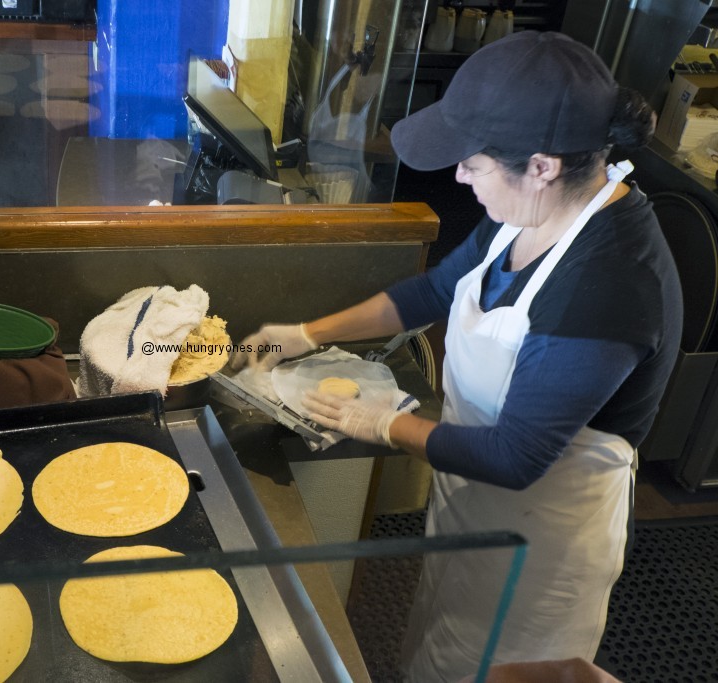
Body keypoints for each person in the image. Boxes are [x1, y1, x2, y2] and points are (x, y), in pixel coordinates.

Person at [232, 31, 682, 682]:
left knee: (493, 669)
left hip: (542, 543)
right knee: (439, 650)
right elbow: (438, 290)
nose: (458, 175)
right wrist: (305, 331)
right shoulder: (528, 210)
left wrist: (381, 424)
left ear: (542, 165)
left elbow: (515, 457)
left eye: (471, 161)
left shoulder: (609, 282)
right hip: (471, 499)